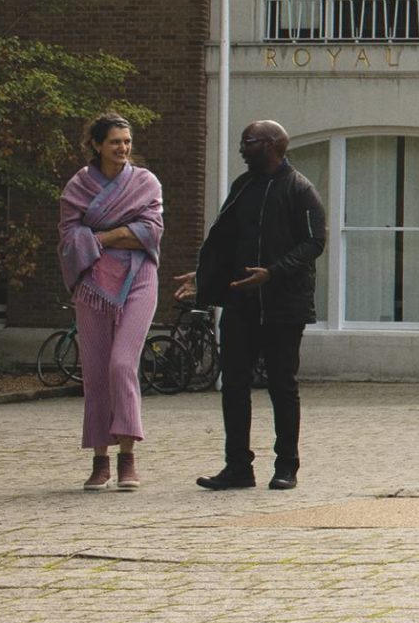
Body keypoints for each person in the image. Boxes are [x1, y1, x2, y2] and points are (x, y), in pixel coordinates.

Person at [174, 121, 326, 491]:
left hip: (283, 305)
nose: (242, 148)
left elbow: (313, 243)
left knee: (282, 385)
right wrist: (204, 276)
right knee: (234, 384)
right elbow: (227, 241)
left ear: (272, 145)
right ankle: (238, 466)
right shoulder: (242, 186)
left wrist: (272, 273)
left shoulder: (300, 189)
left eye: (249, 142)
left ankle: (286, 466)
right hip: (241, 302)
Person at [56, 114, 163, 492]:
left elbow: (150, 233)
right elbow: (69, 239)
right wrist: (123, 233)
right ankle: (100, 460)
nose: (123, 148)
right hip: (93, 285)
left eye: (127, 141)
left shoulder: (146, 183)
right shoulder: (78, 186)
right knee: (96, 372)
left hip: (139, 278)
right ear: (97, 145)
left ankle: (127, 457)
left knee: (121, 364)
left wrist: (102, 236)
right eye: (115, 142)